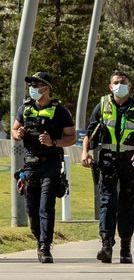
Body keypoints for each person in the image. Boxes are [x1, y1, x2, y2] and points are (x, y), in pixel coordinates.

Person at [80, 71, 134, 264]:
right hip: (108, 160)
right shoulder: (102, 106)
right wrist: (85, 153)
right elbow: (89, 134)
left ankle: (126, 248)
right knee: (107, 203)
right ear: (110, 87)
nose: (120, 85)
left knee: (127, 204)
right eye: (116, 83)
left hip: (130, 161)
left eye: (123, 82)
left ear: (130, 85)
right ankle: (106, 246)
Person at [11, 72, 76, 263]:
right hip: (30, 165)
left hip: (51, 164)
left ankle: (45, 247)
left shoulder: (60, 111)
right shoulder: (25, 108)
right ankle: (39, 238)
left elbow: (71, 137)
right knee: (32, 210)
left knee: (46, 206)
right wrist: (18, 133)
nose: (32, 88)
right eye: (30, 84)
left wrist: (53, 142)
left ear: (46, 88)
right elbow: (15, 130)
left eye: (36, 84)